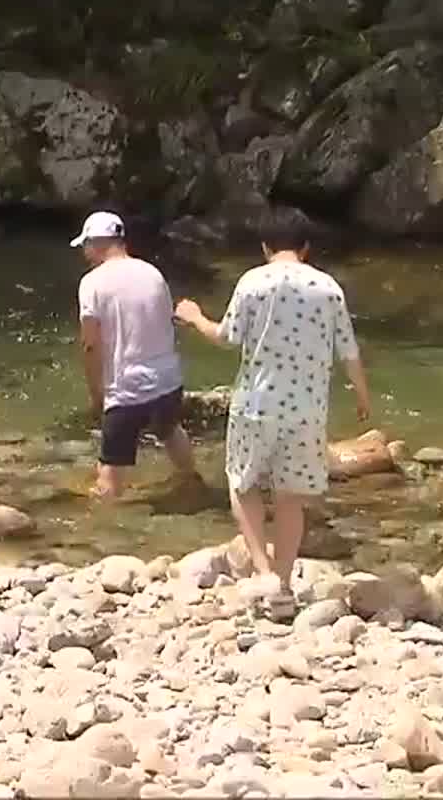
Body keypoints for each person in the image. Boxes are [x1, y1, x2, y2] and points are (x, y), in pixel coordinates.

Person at [174, 209, 373, 605]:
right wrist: (363, 395)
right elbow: (347, 349)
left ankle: (263, 572)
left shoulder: (253, 282)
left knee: (243, 484)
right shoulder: (328, 287)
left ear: (265, 247)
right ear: (306, 247)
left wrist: (195, 317)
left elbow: (227, 336)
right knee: (291, 496)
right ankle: (282, 584)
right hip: (307, 411)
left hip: (256, 405)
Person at [72, 211, 202, 499]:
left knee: (110, 467)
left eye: (85, 246)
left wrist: (97, 395)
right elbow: (167, 324)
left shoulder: (91, 283)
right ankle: (192, 483)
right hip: (168, 380)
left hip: (127, 388)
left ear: (96, 243)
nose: (85, 253)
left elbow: (90, 344)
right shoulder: (152, 272)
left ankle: (105, 522)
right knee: (169, 430)